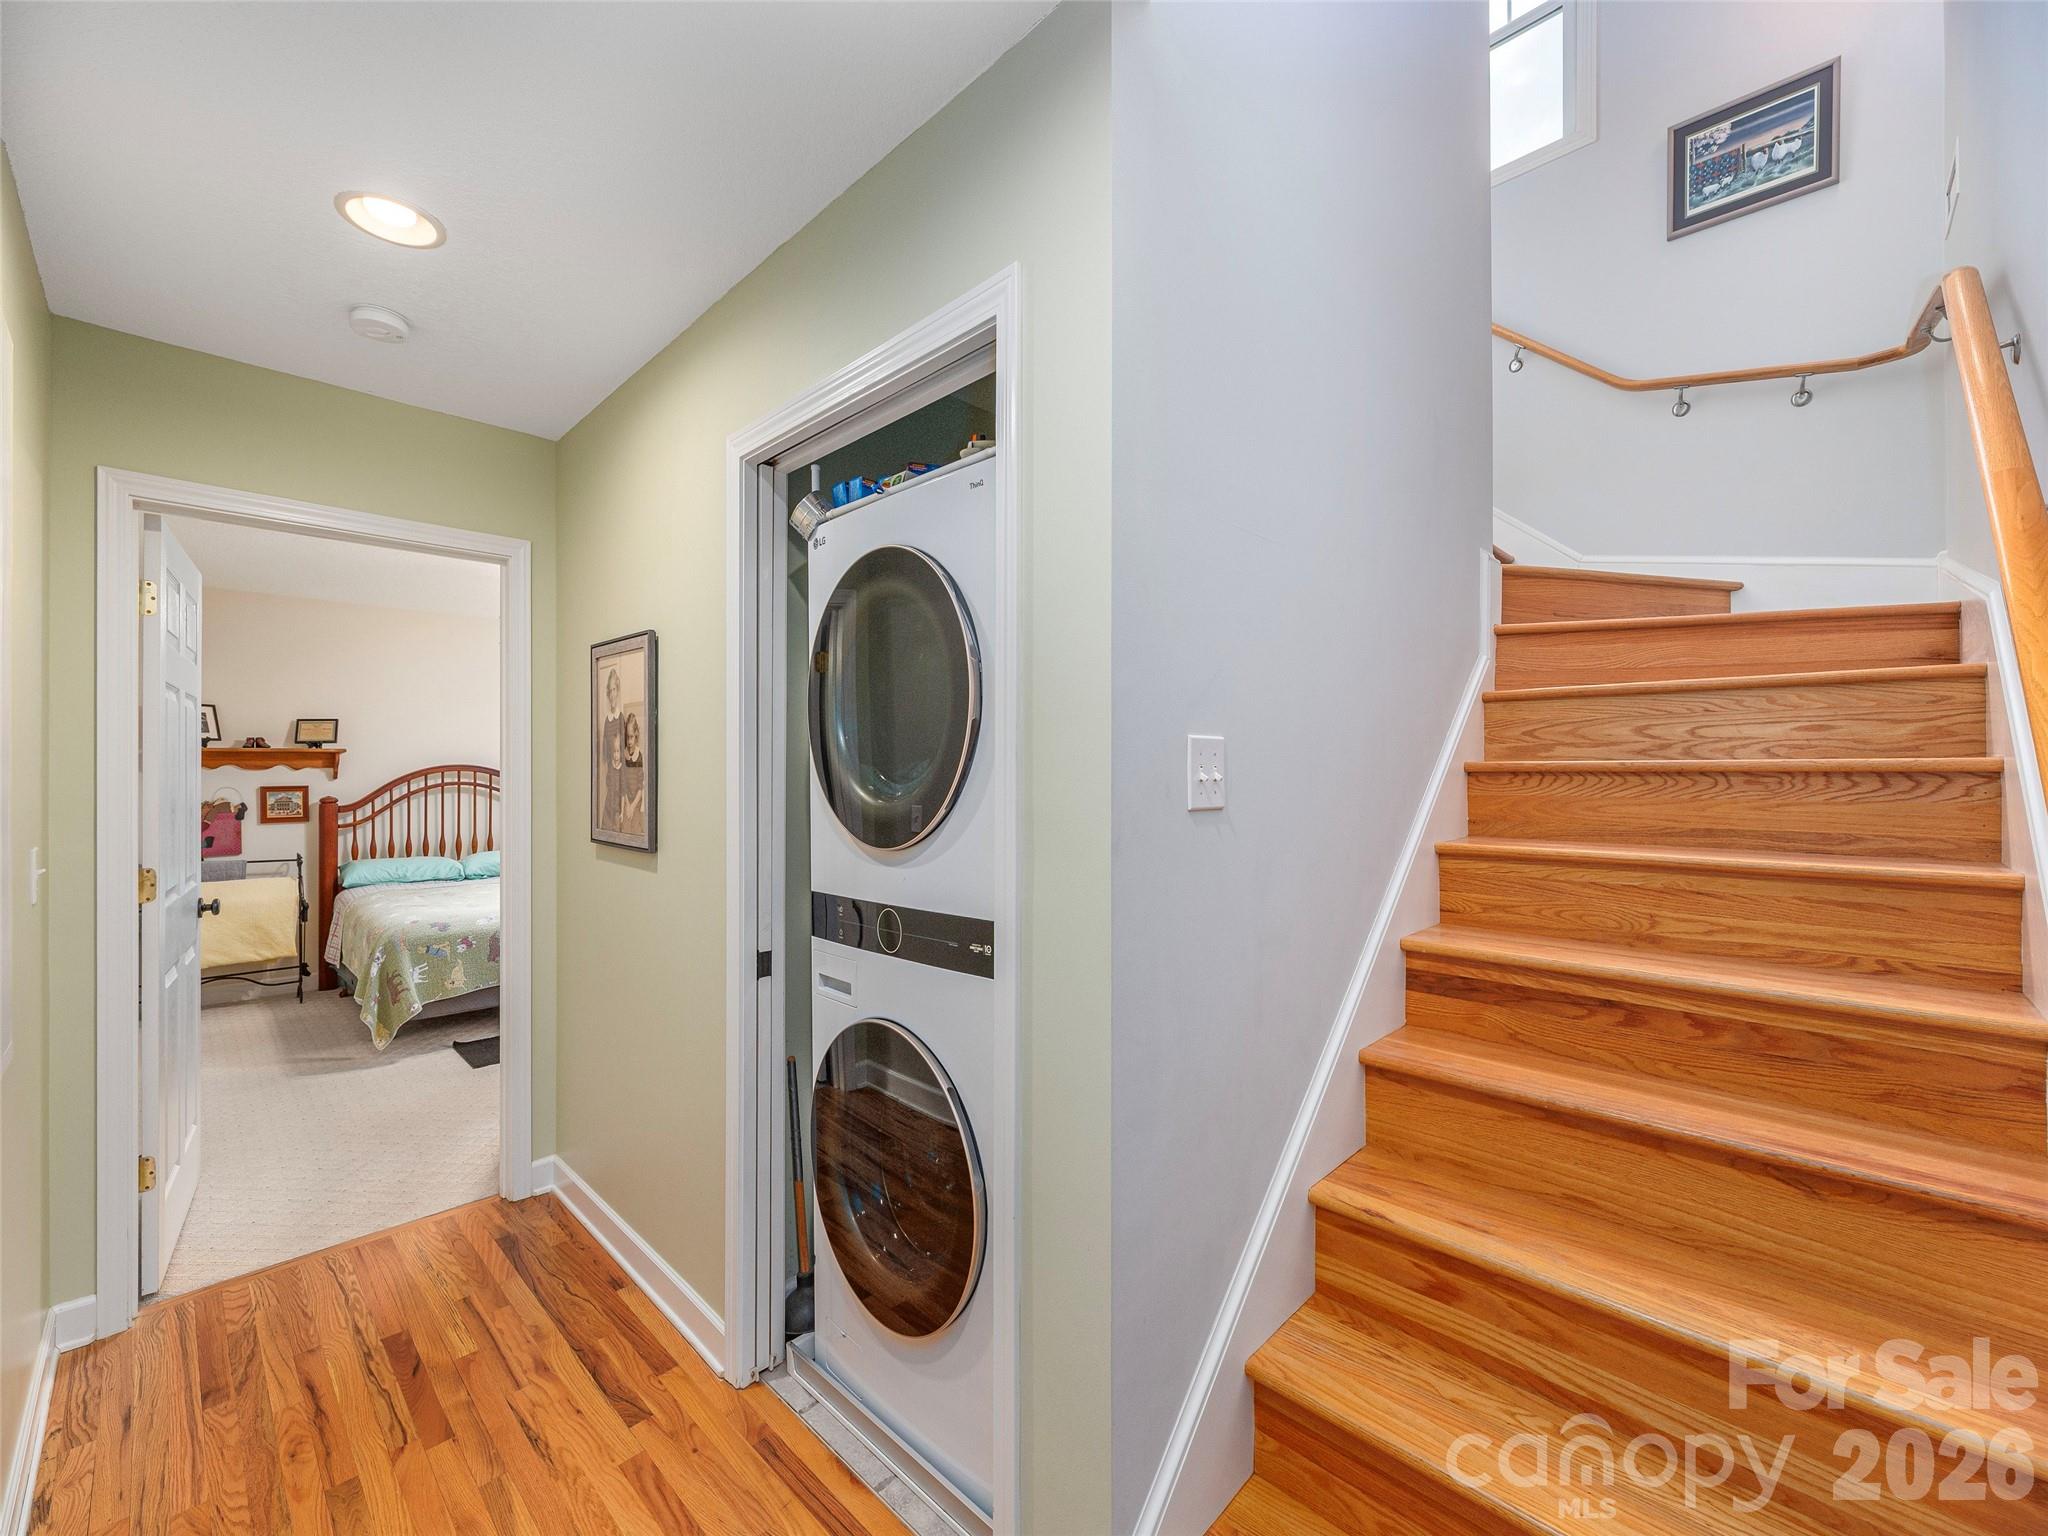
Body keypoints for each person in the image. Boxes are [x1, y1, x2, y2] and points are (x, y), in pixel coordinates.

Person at [599, 666, 625, 830]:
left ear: (618, 690)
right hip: (610, 779)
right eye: (609, 690)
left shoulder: (621, 718)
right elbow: (604, 757)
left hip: (620, 780)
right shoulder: (606, 721)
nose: (612, 694)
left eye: (614, 689)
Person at [618, 711, 648, 838]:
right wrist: (626, 806)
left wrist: (632, 806)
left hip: (635, 802)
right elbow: (623, 783)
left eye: (631, 737)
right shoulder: (624, 755)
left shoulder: (639, 756)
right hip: (626, 801)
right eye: (627, 737)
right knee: (624, 830)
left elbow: (641, 787)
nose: (629, 741)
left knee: (635, 831)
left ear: (636, 735)